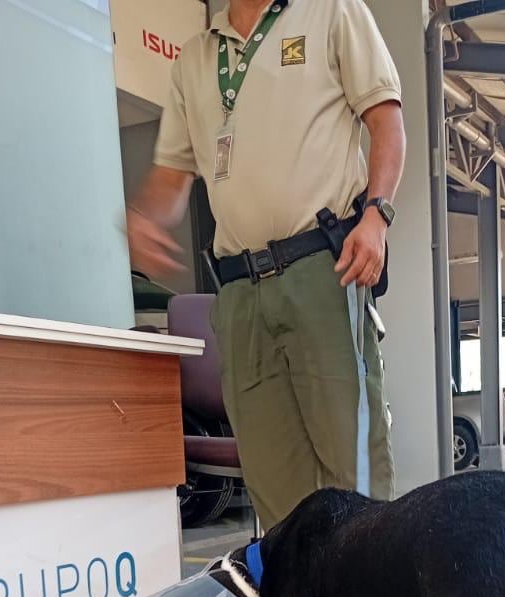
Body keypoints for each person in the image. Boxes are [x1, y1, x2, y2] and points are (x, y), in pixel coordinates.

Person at [127, 0, 406, 530]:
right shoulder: (195, 58)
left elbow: (387, 122)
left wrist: (377, 215)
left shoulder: (330, 11)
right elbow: (172, 177)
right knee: (276, 491)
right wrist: (145, 217)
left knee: (356, 476)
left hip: (323, 267)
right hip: (238, 292)